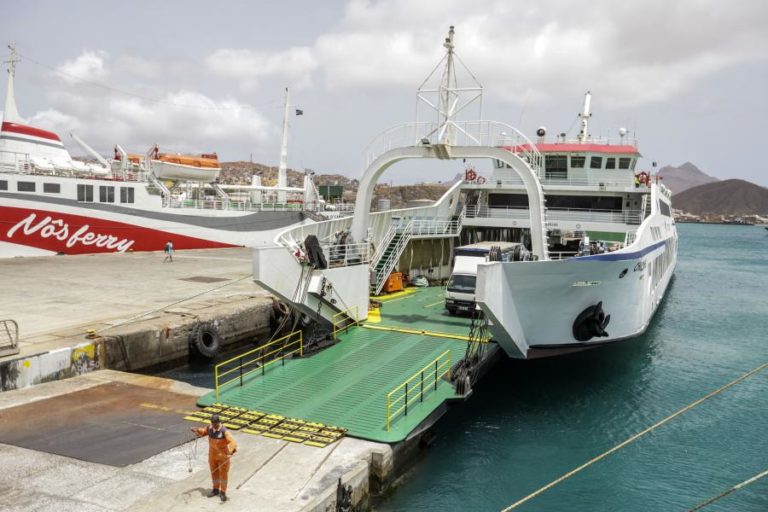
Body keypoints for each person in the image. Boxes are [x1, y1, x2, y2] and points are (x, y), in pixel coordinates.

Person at [191, 414, 237, 502]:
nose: (214, 425)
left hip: (222, 457)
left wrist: (231, 451)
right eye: (212, 424)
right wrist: (196, 430)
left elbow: (232, 442)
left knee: (223, 475)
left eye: (215, 424)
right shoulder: (210, 428)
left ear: (218, 422)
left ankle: (223, 492)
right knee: (214, 473)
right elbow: (204, 431)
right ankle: (215, 489)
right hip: (212, 456)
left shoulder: (224, 431)